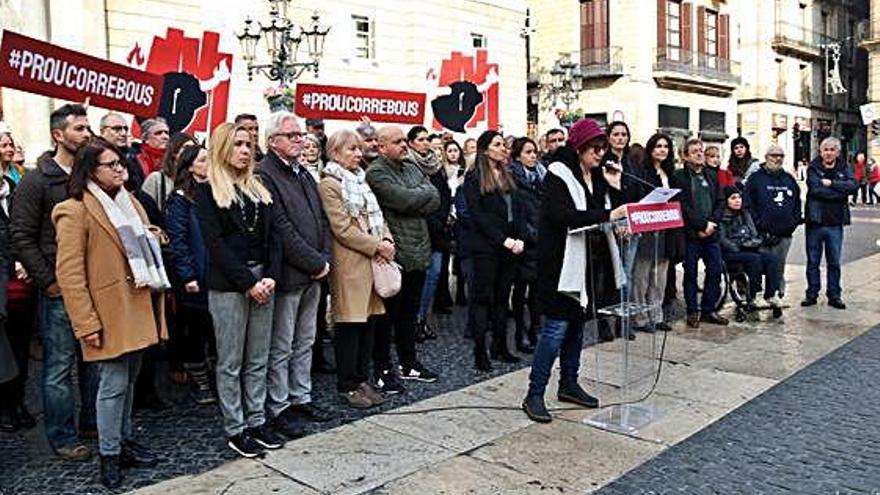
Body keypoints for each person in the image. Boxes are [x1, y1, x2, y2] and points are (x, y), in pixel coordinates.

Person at [53, 138, 169, 489]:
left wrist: (154, 237)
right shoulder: (74, 210)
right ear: (90, 170)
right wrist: (86, 323)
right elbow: (70, 275)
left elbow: (149, 238)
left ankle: (124, 441)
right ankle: (109, 456)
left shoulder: (129, 201)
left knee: (130, 379)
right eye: (111, 164)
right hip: (108, 311)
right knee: (113, 385)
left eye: (120, 163)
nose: (121, 169)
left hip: (138, 302)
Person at [522, 119, 627, 423]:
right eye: (596, 148)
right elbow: (562, 216)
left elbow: (605, 210)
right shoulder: (558, 173)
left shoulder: (595, 175)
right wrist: (609, 214)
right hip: (560, 264)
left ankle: (569, 384)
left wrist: (616, 208)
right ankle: (534, 394)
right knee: (555, 330)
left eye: (603, 147)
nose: (600, 153)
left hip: (587, 264)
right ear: (580, 147)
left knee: (577, 328)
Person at [11, 103, 99, 461]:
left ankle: (92, 421)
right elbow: (21, 235)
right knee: (59, 366)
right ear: (58, 135)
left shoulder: (92, 172)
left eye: (87, 127)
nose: (87, 133)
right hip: (59, 288)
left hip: (93, 283)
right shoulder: (37, 179)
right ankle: (62, 435)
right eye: (79, 129)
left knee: (94, 359)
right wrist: (48, 281)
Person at [195, 123, 285, 458]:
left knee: (258, 357)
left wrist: (271, 277)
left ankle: (258, 419)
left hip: (264, 279)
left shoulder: (259, 189)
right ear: (221, 148)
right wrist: (248, 284)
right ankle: (236, 426)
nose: (245, 150)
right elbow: (215, 245)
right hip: (230, 285)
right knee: (231, 361)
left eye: (248, 144)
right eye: (237, 144)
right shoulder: (206, 192)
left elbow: (274, 238)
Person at [257, 112, 334, 430]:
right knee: (282, 344)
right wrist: (315, 262)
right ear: (273, 141)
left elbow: (322, 220)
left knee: (306, 340)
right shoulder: (265, 174)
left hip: (314, 271)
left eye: (300, 135)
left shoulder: (303, 173)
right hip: (290, 273)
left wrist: (324, 257)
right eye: (292, 135)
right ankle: (279, 404)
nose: (299, 140)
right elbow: (281, 228)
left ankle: (301, 397)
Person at [319, 130, 393, 408]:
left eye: (359, 149)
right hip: (350, 263)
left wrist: (387, 239)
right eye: (351, 149)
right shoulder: (329, 183)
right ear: (335, 152)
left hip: (372, 261)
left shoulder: (360, 179)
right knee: (350, 325)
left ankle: (362, 378)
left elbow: (378, 215)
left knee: (369, 325)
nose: (358, 154)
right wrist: (377, 245)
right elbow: (342, 228)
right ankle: (347, 384)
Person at [366, 126, 440, 388]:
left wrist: (417, 196)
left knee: (409, 313)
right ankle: (382, 367)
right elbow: (402, 199)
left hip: (419, 248)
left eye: (403, 140)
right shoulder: (376, 172)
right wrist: (418, 196)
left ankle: (409, 362)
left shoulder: (411, 167)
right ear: (381, 146)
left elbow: (435, 197)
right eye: (397, 141)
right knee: (387, 317)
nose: (403, 145)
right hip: (395, 253)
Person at [464, 131, 526, 371]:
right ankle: (480, 351)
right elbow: (478, 217)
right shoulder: (474, 177)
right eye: (497, 145)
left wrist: (519, 238)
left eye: (504, 145)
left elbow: (517, 210)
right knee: (483, 299)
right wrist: (504, 240)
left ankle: (500, 346)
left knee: (502, 298)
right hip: (486, 248)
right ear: (485, 149)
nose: (503, 149)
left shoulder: (508, 176)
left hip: (510, 247)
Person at [165, 144, 216, 405]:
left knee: (214, 330)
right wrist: (187, 276)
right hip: (196, 275)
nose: (209, 164)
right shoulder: (180, 199)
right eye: (204, 160)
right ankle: (200, 381)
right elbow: (179, 241)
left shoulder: (215, 193)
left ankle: (214, 377)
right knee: (196, 331)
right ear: (190, 166)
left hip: (217, 274)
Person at [671, 138, 729, 328]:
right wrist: (701, 225)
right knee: (691, 274)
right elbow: (682, 206)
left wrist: (712, 223)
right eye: (694, 151)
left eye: (701, 151)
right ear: (685, 156)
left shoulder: (712, 175)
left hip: (711, 233)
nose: (699, 154)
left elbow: (721, 201)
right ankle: (692, 311)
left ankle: (708, 310)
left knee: (715, 271)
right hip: (692, 234)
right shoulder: (678, 177)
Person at [801, 137, 858, 309]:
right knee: (813, 261)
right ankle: (812, 294)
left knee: (834, 262)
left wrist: (832, 183)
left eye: (832, 150)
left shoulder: (844, 167)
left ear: (838, 152)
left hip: (835, 223)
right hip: (815, 222)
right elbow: (816, 189)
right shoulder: (813, 168)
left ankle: (834, 295)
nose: (828, 153)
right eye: (826, 149)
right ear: (820, 151)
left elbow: (853, 186)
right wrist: (840, 193)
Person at [0, 155, 34, 433]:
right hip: (6, 281)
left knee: (18, 349)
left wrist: (25, 261)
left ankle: (17, 402)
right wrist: (13, 260)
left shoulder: (13, 189)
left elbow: (21, 231)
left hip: (19, 288)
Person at [631, 133, 678, 333]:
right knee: (642, 277)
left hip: (665, 228)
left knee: (660, 277)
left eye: (666, 147)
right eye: (658, 146)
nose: (662, 150)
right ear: (650, 149)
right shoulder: (642, 172)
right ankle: (640, 318)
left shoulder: (670, 173)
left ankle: (656, 316)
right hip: (647, 227)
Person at [407, 126, 450, 342]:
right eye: (421, 139)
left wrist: (440, 218)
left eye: (426, 139)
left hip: (438, 230)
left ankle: (422, 319)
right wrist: (431, 218)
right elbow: (414, 198)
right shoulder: (408, 164)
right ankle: (413, 322)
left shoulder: (436, 165)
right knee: (417, 281)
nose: (425, 143)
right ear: (412, 142)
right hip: (418, 229)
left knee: (433, 276)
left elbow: (444, 195)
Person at [743, 145, 802, 300]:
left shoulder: (789, 179)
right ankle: (755, 295)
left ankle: (775, 297)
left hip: (784, 235)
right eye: (774, 155)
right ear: (766, 157)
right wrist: (758, 226)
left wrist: (792, 223)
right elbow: (748, 205)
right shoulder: (755, 178)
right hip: (761, 234)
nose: (777, 159)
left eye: (781, 156)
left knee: (778, 268)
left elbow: (797, 204)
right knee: (758, 267)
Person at [718, 186, 782, 312]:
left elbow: (754, 234)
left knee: (773, 259)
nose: (737, 201)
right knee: (754, 259)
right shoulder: (721, 217)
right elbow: (722, 240)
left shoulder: (745, 214)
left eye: (739, 197)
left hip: (748, 248)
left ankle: (770, 295)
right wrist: (738, 246)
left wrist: (752, 243)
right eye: (733, 198)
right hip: (731, 253)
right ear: (726, 200)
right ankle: (755, 295)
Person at [508, 137, 544, 352]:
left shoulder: (541, 177)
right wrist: (530, 235)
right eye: (528, 152)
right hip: (524, 243)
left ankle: (534, 330)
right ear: (518, 155)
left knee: (536, 293)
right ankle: (520, 334)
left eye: (534, 152)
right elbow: (517, 214)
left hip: (539, 243)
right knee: (520, 292)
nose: (533, 156)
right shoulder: (513, 179)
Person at [142, 132, 197, 211]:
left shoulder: (195, 180)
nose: (191, 152)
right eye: (186, 147)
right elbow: (145, 210)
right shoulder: (156, 179)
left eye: (194, 148)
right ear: (174, 151)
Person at [100, 113, 143, 190]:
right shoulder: (91, 154)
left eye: (125, 129)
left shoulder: (131, 156)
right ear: (103, 131)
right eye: (117, 129)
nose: (123, 133)